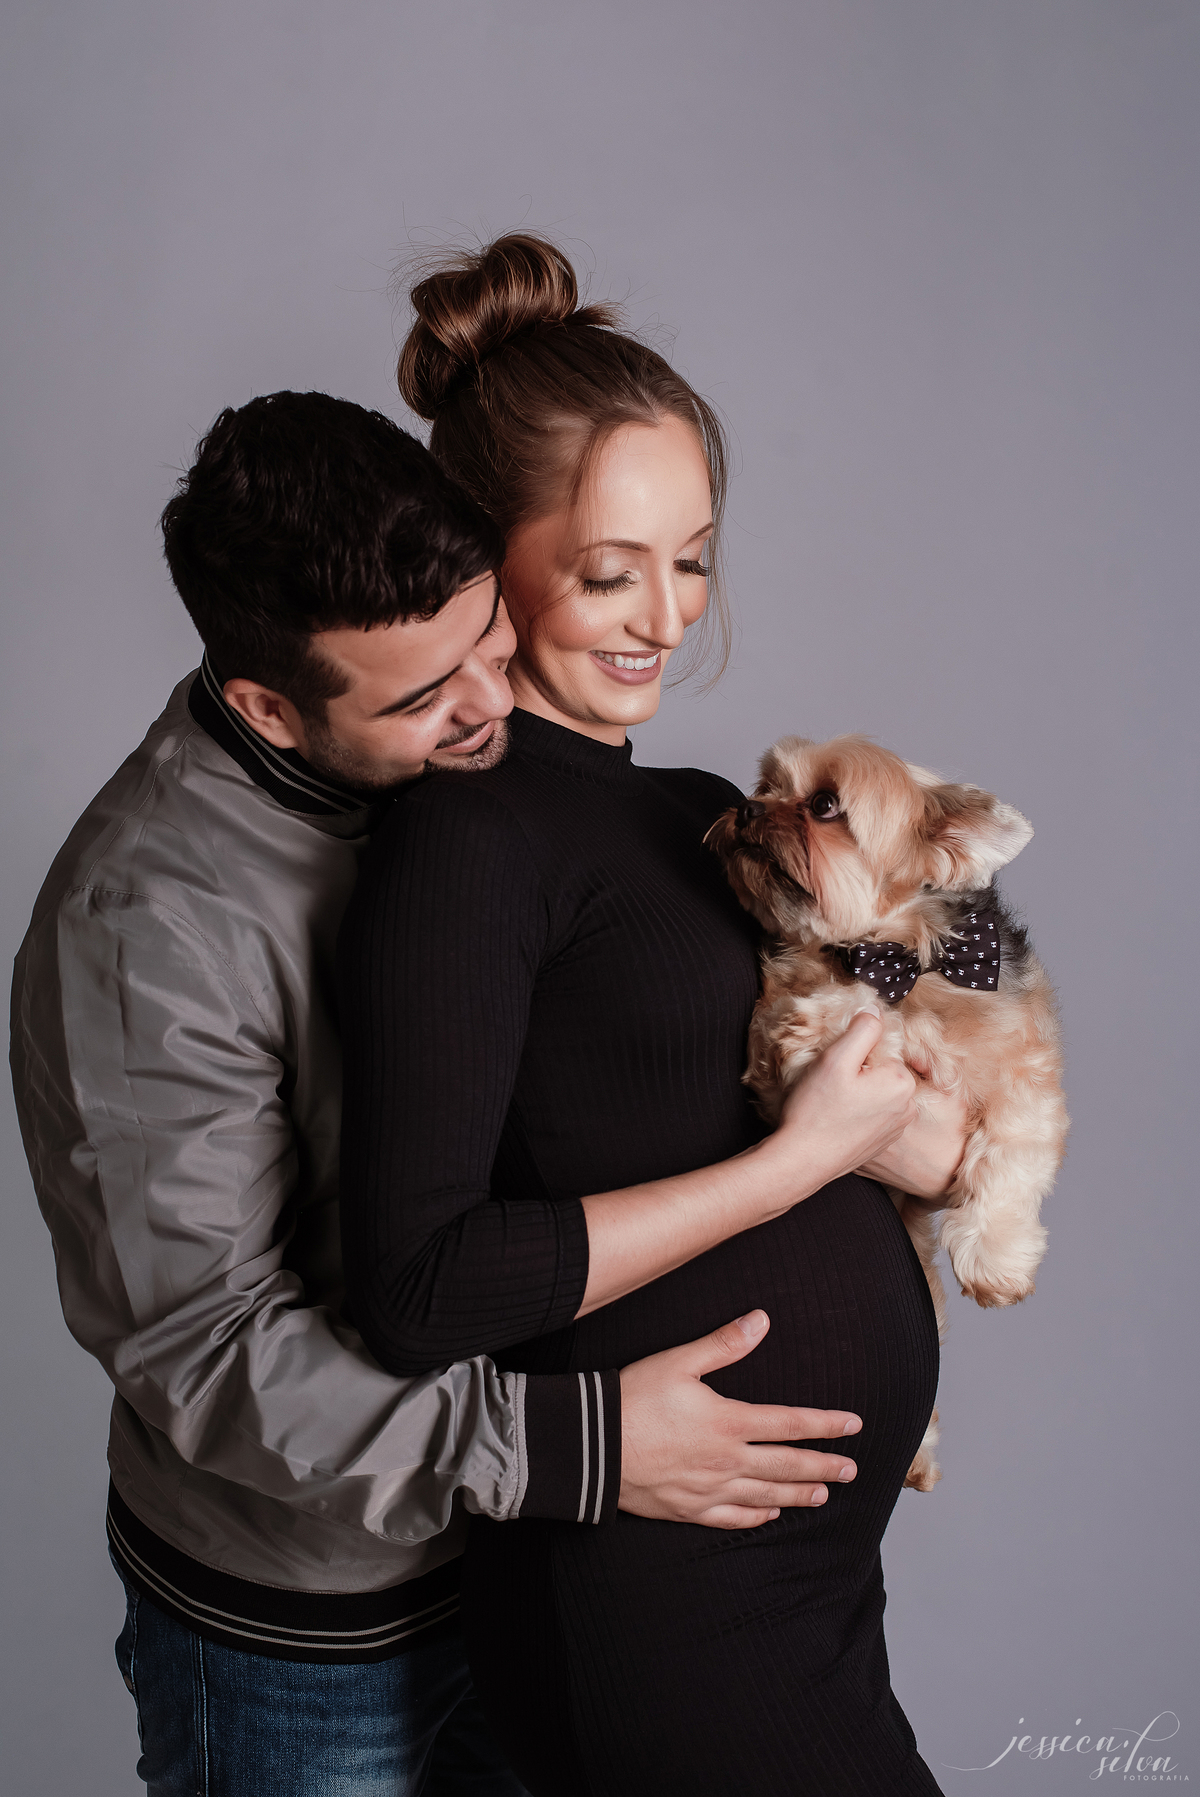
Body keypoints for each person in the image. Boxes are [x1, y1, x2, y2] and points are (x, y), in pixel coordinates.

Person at [10, 391, 909, 1797]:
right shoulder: (146, 933)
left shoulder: (460, 786)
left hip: (524, 1561)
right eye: (424, 697)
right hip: (312, 1634)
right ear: (267, 709)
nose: (490, 706)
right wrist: (577, 1447)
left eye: (487, 640)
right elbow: (207, 1354)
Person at [338, 238, 966, 1795]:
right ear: (487, 560)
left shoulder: (707, 813)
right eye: (610, 571)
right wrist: (802, 1161)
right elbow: (416, 1283)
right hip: (657, 1592)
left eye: (693, 559)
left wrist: (929, 1131)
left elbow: (928, 1024)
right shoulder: (469, 840)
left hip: (803, 1579)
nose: (668, 616)